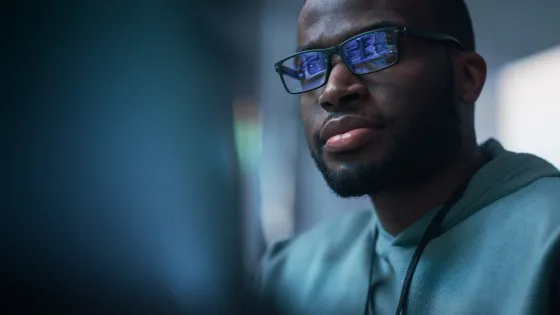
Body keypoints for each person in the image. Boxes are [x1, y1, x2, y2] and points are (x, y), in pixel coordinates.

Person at [254, 0, 560, 314]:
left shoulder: (549, 239)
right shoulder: (288, 275)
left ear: (467, 77)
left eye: (374, 48)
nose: (332, 90)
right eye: (309, 68)